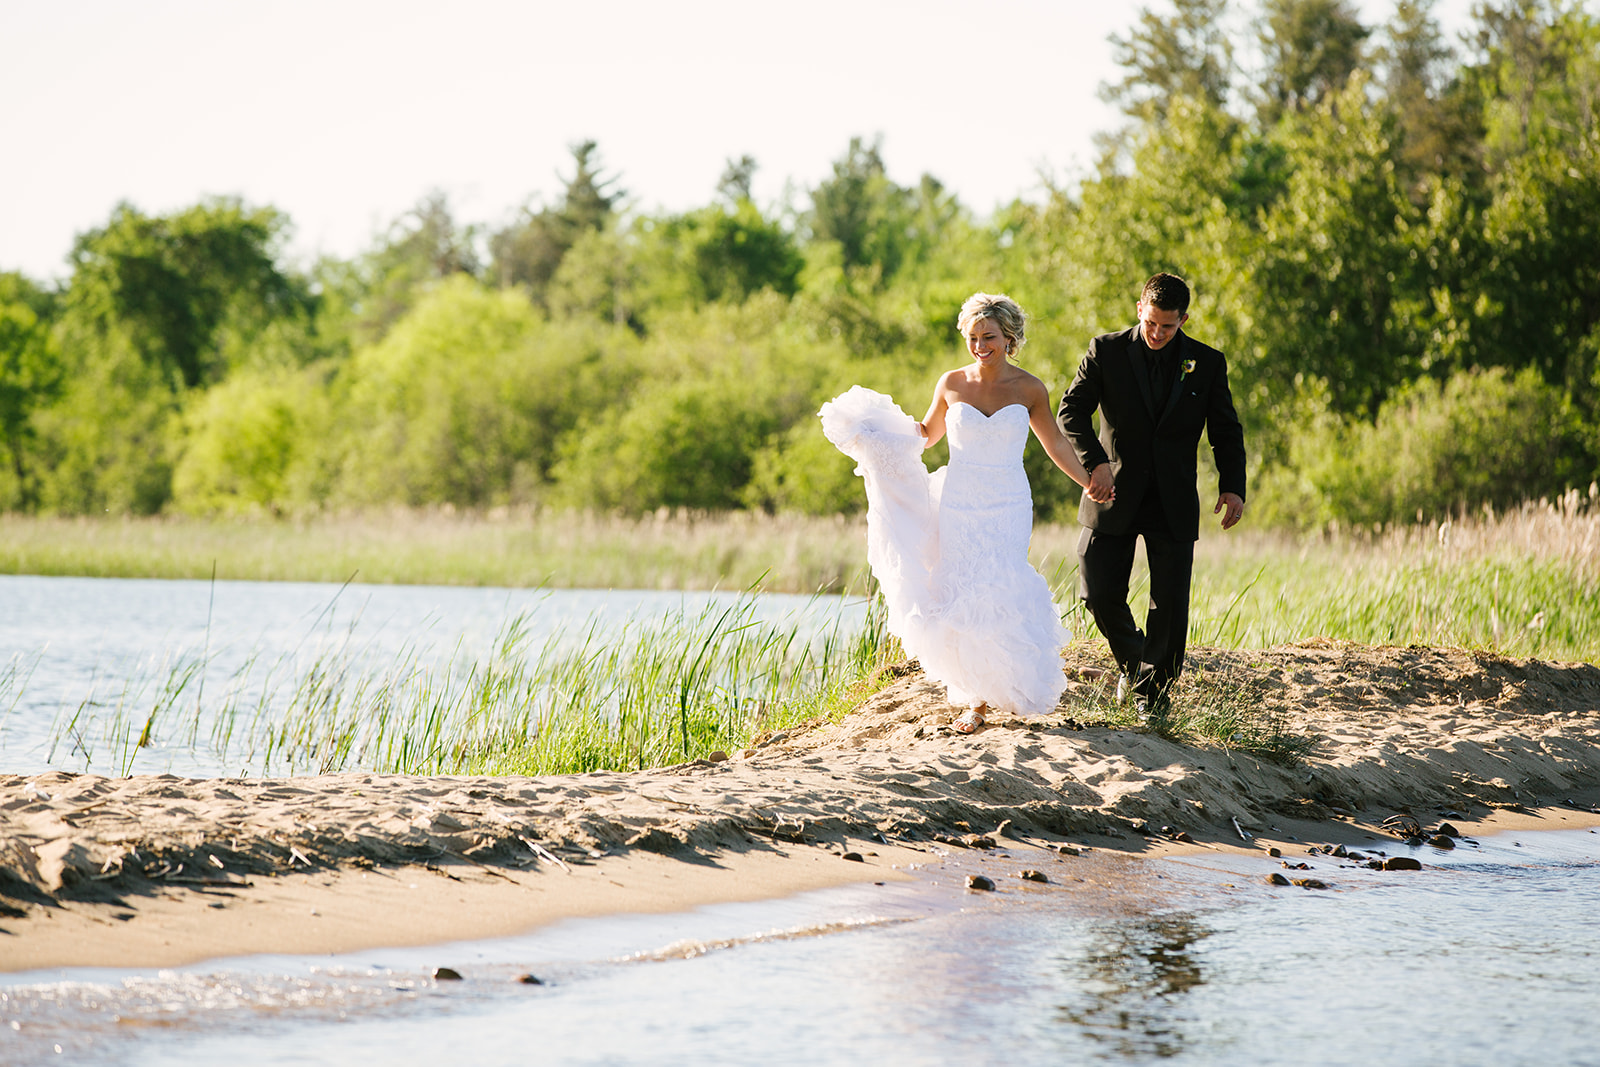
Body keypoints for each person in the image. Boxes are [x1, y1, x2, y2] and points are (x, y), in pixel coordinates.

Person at [819, 293, 1112, 734]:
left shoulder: (1030, 388)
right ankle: (974, 699)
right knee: (963, 586)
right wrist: (877, 434)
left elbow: (1053, 442)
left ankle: (1008, 687)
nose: (980, 345)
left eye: (989, 337)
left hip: (1009, 501)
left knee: (1001, 582)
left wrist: (1087, 479)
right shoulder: (951, 383)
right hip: (960, 501)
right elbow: (926, 435)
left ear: (1010, 337)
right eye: (973, 337)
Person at [1058, 272, 1247, 714]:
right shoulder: (1104, 351)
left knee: (1170, 606)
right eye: (1151, 323)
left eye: (1168, 326)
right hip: (1111, 492)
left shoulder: (1208, 362)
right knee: (1097, 590)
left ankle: (1152, 698)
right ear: (1139, 309)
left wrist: (1232, 487)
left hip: (1174, 498)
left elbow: (1225, 430)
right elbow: (1071, 412)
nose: (1158, 333)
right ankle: (1138, 667)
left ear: (1184, 319)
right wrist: (1095, 463)